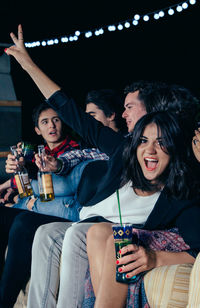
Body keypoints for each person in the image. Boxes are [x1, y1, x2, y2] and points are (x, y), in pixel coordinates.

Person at [4, 25, 200, 307]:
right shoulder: (125, 149)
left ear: (157, 114)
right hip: (86, 215)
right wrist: (27, 64)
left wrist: (157, 256)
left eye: (130, 106)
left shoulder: (178, 182)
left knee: (77, 233)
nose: (124, 114)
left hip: (94, 227)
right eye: (144, 140)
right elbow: (71, 111)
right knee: (42, 230)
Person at [85, 111, 200, 307]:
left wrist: (156, 258)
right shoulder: (149, 180)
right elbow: (85, 124)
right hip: (164, 232)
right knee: (97, 232)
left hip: (183, 243)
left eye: (161, 142)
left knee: (118, 241)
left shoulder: (188, 188)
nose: (150, 149)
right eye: (143, 140)